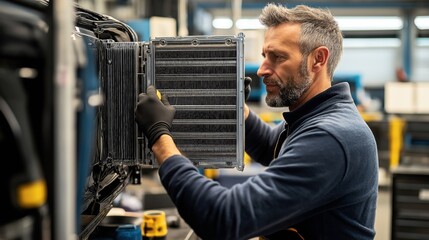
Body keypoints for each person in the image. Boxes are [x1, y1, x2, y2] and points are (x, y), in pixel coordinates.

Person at [135, 3, 378, 240]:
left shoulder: (330, 138)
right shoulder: (315, 116)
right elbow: (271, 145)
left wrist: (159, 138)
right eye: (264, 56)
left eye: (277, 57)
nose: (261, 70)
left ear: (318, 59)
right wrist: (235, 109)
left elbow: (223, 218)